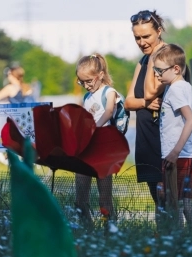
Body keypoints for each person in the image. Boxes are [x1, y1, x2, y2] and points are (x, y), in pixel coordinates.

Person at [124, 10, 166, 216]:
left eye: (146, 36)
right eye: (137, 38)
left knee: (174, 203)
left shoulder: (168, 57)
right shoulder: (142, 62)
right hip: (145, 140)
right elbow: (128, 102)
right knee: (158, 203)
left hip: (167, 143)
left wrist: (154, 56)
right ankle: (163, 244)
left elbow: (151, 90)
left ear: (159, 31)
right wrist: (145, 104)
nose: (141, 42)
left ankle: (185, 242)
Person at [153, 44, 192, 226]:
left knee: (175, 204)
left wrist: (175, 152)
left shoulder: (175, 90)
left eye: (159, 70)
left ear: (176, 69)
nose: (156, 74)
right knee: (187, 204)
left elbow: (191, 120)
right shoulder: (186, 87)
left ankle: (177, 242)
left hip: (178, 157)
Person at [75, 53, 120, 227]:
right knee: (80, 199)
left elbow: (108, 112)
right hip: (86, 150)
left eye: (88, 81)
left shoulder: (109, 92)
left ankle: (110, 233)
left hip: (103, 150)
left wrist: (95, 128)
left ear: (100, 75)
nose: (86, 85)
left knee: (105, 199)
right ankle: (88, 232)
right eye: (81, 82)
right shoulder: (86, 97)